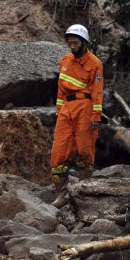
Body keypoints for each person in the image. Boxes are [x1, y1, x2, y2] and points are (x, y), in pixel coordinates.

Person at [50, 23, 104, 205]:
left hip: (86, 108)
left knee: (85, 150)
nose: (72, 47)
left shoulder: (95, 63)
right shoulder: (65, 61)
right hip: (66, 108)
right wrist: (59, 111)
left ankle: (84, 193)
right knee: (58, 152)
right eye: (70, 43)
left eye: (75, 43)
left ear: (84, 42)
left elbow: (97, 91)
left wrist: (96, 117)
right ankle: (61, 194)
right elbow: (59, 89)